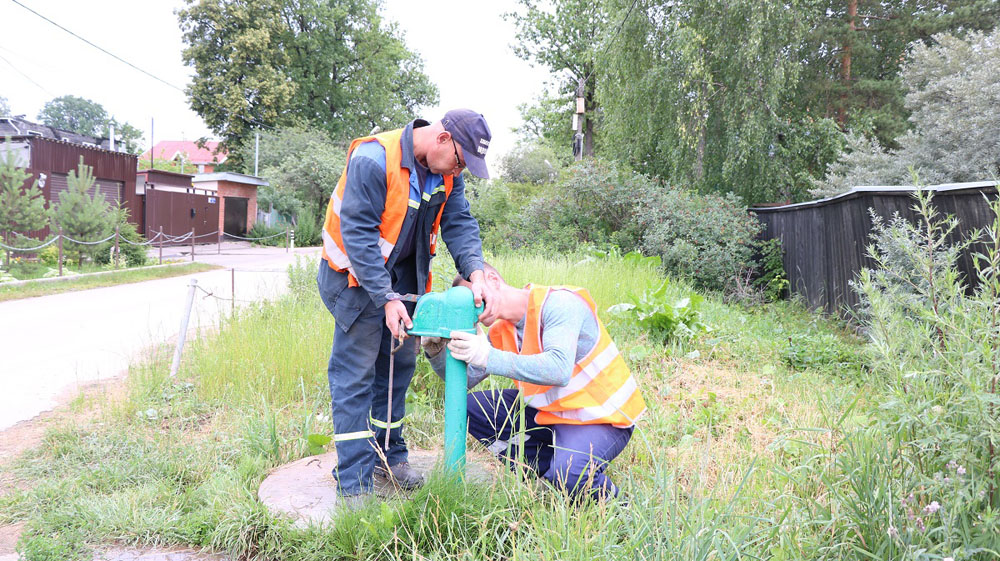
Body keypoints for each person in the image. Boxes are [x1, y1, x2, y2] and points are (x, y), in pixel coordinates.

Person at [317, 109, 498, 504]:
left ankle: (388, 458)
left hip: (402, 284)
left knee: (397, 366)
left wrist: (476, 271)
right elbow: (359, 236)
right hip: (353, 279)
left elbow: (460, 223)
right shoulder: (372, 158)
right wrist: (385, 299)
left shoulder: (448, 175)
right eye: (460, 161)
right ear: (443, 139)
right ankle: (354, 481)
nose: (460, 171)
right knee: (356, 374)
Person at [422, 265, 646, 501]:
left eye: (476, 296)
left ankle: (618, 508)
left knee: (570, 473)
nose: (475, 307)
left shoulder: (559, 304)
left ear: (493, 279)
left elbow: (558, 369)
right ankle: (549, 475)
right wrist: (436, 352)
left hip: (599, 417)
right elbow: (464, 381)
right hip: (550, 415)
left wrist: (488, 356)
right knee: (469, 407)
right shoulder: (502, 330)